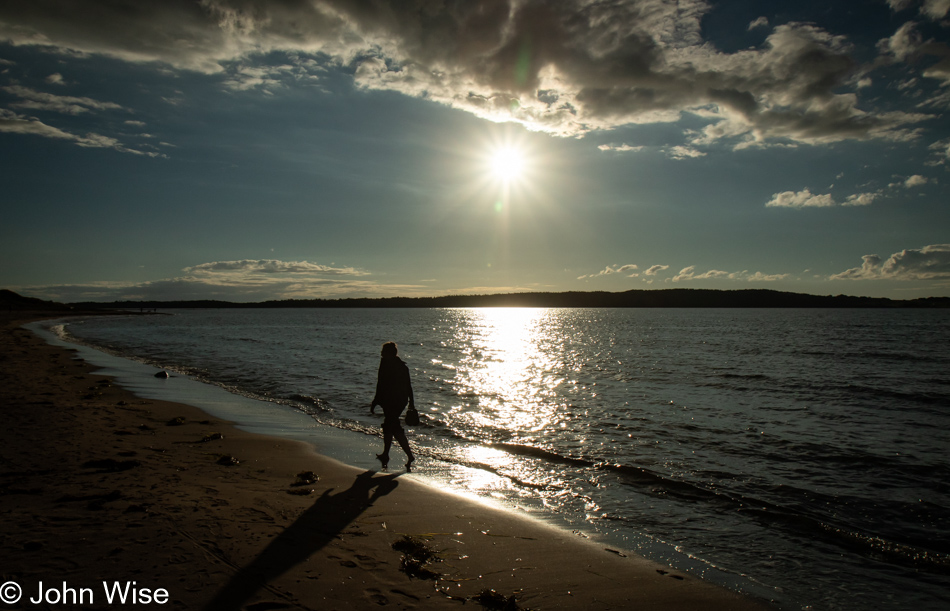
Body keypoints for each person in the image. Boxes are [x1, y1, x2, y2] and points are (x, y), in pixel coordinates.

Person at [370, 341, 415, 471]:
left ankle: (408, 455)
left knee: (392, 426)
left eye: (383, 351)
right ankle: (386, 454)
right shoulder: (395, 365)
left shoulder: (398, 366)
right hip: (393, 400)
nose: (381, 354)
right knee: (390, 425)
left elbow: (406, 386)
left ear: (389, 353)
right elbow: (382, 384)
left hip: (396, 401)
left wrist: (411, 404)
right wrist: (410, 402)